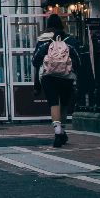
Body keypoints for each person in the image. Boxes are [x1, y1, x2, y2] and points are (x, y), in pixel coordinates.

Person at [33, 13, 78, 148]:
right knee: (64, 103)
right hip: (66, 76)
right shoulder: (69, 39)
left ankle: (57, 131)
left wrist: (36, 84)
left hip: (48, 76)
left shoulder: (43, 40)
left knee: (54, 103)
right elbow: (78, 58)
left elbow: (35, 60)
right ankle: (62, 130)